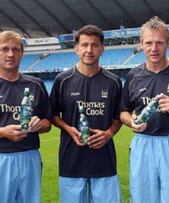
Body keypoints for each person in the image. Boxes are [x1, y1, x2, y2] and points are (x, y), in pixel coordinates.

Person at [50, 25, 122, 203]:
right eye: (84, 45)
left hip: (104, 162)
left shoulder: (113, 82)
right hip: (71, 162)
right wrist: (68, 129)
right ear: (76, 48)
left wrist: (109, 133)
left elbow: (120, 116)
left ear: (102, 48)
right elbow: (52, 114)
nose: (89, 50)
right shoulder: (62, 80)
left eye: (94, 45)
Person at [120, 16, 169, 203]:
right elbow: (123, 111)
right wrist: (131, 121)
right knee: (142, 196)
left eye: (159, 42)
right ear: (141, 44)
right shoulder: (134, 75)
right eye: (148, 43)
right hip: (143, 143)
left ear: (168, 43)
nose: (154, 48)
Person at [0, 31, 51, 203]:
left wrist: (38, 124)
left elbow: (48, 122)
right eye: (4, 49)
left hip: (29, 156)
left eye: (16, 49)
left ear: (22, 53)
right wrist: (3, 132)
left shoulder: (35, 85)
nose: (10, 54)